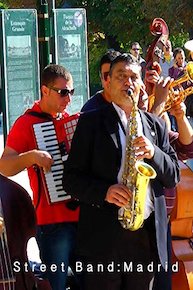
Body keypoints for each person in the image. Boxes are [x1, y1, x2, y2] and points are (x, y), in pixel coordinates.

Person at [63, 53, 180, 290]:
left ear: (141, 84)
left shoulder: (155, 125)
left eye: (133, 77)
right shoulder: (90, 122)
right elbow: (71, 179)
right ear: (107, 82)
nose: (128, 82)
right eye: (121, 76)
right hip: (104, 240)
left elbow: (173, 175)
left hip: (145, 238)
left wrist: (154, 152)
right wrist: (104, 192)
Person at [0, 64, 79, 290]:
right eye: (63, 92)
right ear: (45, 90)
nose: (68, 99)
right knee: (56, 285)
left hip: (83, 218)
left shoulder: (73, 122)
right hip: (52, 222)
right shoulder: (27, 123)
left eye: (70, 92)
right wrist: (31, 156)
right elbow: (4, 166)